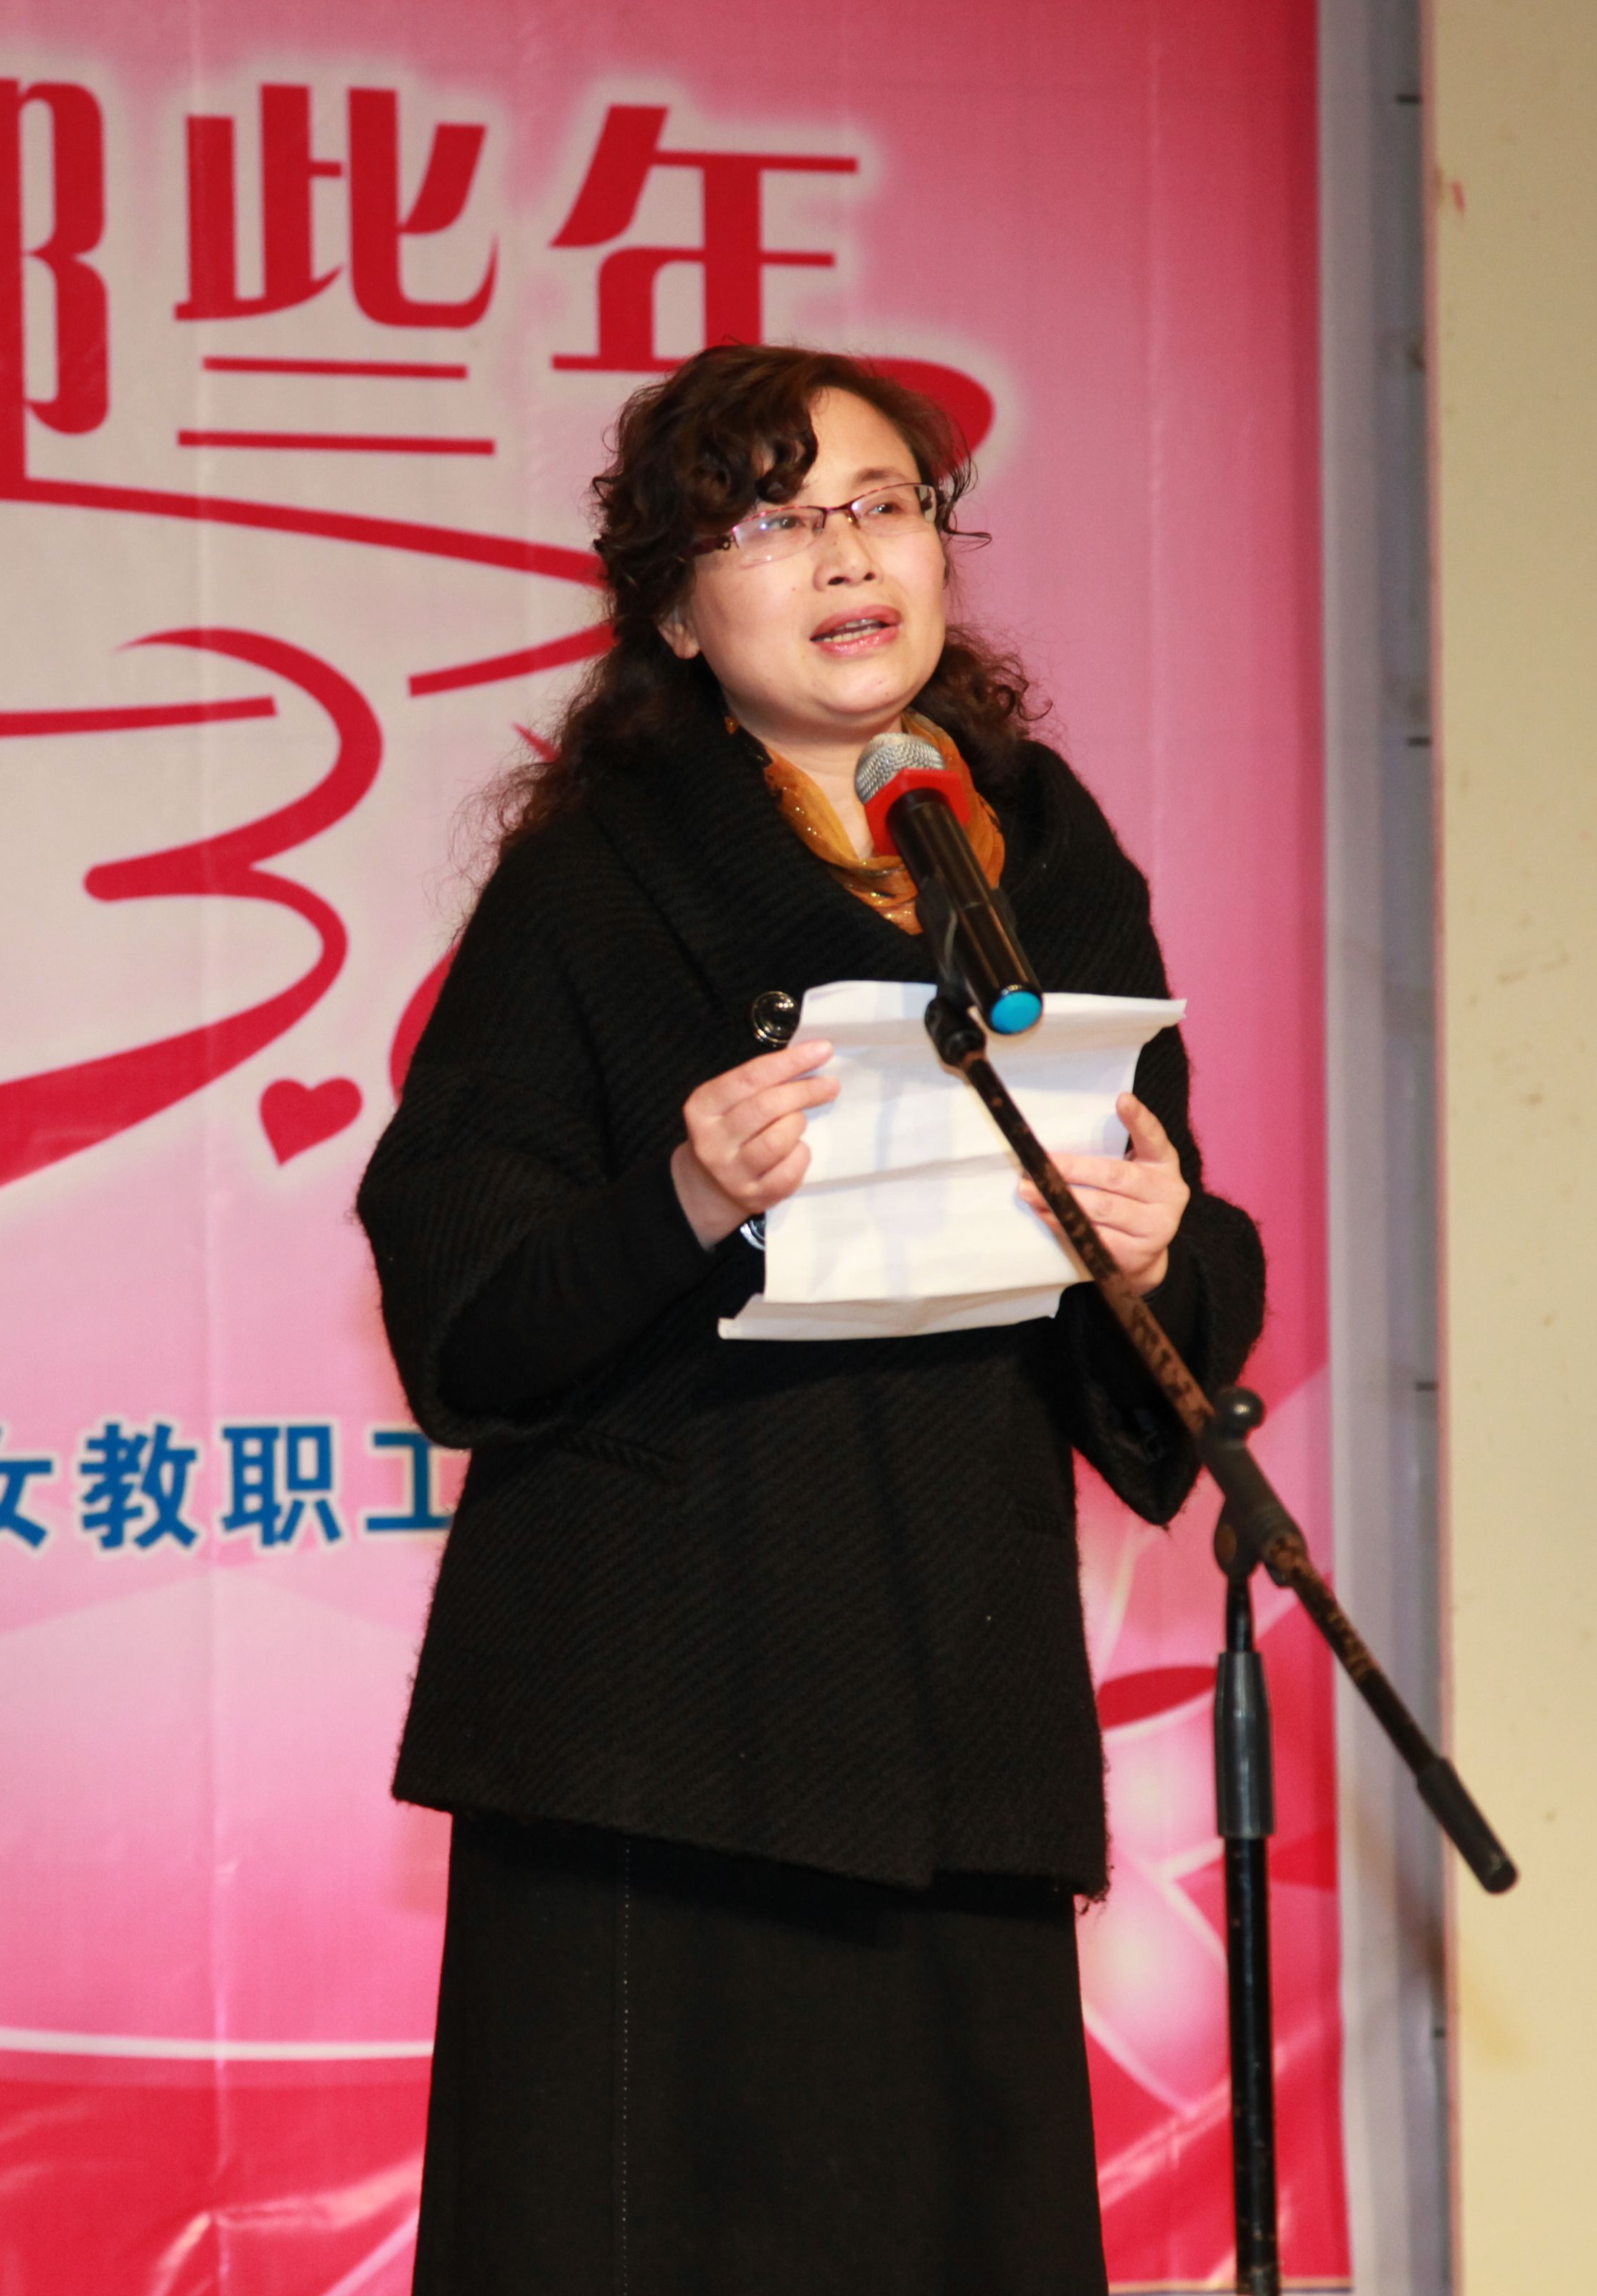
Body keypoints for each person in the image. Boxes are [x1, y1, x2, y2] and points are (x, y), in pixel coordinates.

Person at [356, 342, 1267, 2295]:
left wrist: (1153, 1245)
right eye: (771, 523)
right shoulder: (593, 888)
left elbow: (1170, 1305)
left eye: (882, 506)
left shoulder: (1043, 860)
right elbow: (461, 1310)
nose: (848, 555)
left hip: (958, 1721)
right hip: (650, 1746)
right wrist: (684, 1199)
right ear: (679, 614)